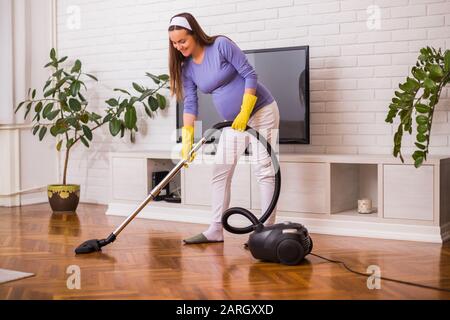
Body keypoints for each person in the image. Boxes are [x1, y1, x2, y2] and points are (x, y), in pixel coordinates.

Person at [168, 12, 280, 244]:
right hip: (235, 123)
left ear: (195, 34)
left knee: (265, 170)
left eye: (182, 41)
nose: (179, 46)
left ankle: (267, 231)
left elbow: (250, 74)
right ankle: (215, 229)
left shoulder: (221, 45)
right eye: (174, 43)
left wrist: (245, 109)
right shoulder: (187, 67)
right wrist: (187, 139)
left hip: (261, 111)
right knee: (220, 171)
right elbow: (190, 103)